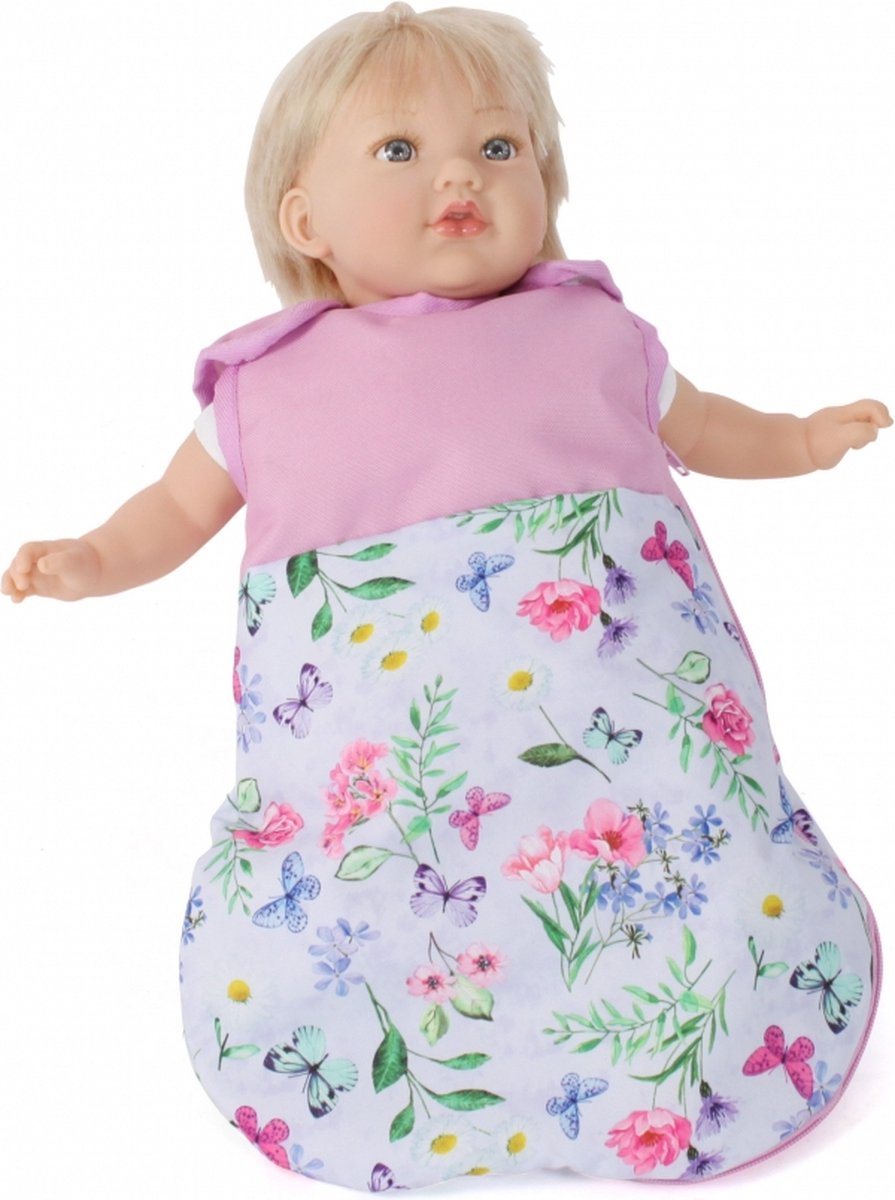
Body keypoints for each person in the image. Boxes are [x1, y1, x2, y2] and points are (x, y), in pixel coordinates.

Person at [2, 3, 889, 1189]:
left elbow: (712, 428)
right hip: (390, 796)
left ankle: (685, 1052)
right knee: (381, 905)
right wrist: (88, 559)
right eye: (400, 150)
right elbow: (169, 511)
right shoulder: (265, 389)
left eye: (498, 146)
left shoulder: (596, 336)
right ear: (304, 220)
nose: (460, 174)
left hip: (622, 760)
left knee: (676, 871)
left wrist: (800, 438)